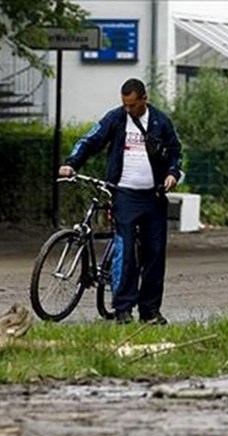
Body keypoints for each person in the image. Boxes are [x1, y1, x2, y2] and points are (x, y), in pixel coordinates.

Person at [59, 78, 183, 325]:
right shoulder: (115, 119)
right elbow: (90, 140)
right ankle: (123, 308)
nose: (129, 110)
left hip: (153, 196)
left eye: (133, 106)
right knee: (125, 252)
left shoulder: (161, 122)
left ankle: (150, 311)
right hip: (124, 194)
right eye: (125, 105)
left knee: (154, 254)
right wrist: (71, 163)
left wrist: (172, 174)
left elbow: (176, 152)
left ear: (144, 100)